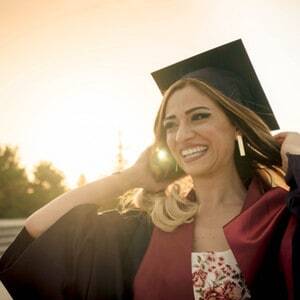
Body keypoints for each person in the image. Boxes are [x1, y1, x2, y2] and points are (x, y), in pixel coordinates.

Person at [0, 39, 299, 300]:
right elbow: (38, 234)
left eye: (199, 116)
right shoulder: (150, 227)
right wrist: (129, 179)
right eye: (171, 124)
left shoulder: (281, 218)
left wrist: (297, 155)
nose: (181, 135)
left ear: (236, 125)